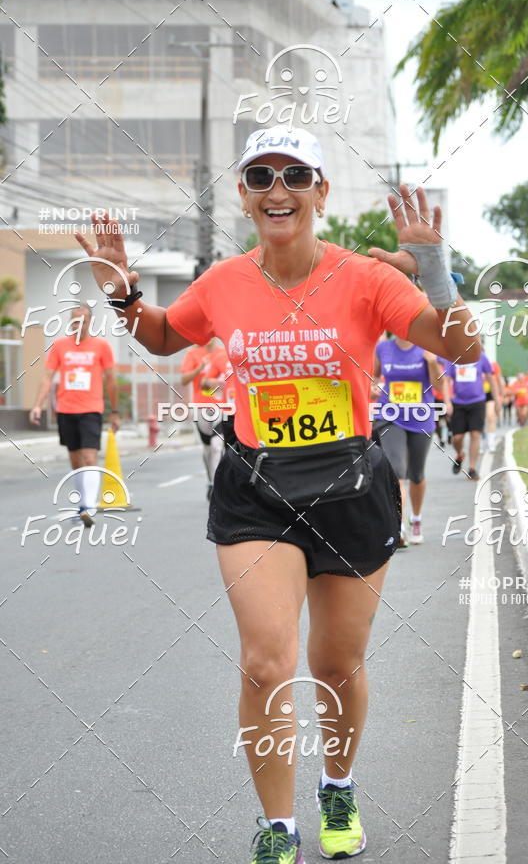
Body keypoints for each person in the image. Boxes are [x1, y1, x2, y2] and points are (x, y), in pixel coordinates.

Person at [75, 124, 480, 864]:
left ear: (321, 191)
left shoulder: (366, 276)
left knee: (336, 665)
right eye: (260, 176)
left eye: (295, 174)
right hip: (256, 489)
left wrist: (437, 271)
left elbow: (462, 348)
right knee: (266, 661)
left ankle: (339, 782)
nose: (277, 189)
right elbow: (167, 337)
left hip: (349, 488)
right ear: (244, 195)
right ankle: (278, 825)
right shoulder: (225, 282)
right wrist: (124, 293)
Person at [29, 304, 120, 526]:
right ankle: (82, 505)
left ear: (90, 322)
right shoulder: (60, 346)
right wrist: (37, 405)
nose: (78, 325)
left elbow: (111, 380)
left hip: (91, 409)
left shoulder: (101, 346)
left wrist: (115, 412)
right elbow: (47, 378)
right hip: (66, 410)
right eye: (74, 321)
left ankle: (88, 508)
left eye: (83, 321)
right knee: (75, 461)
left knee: (90, 457)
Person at [372, 334, 444, 545]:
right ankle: (399, 527)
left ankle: (416, 519)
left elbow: (439, 386)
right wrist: (373, 386)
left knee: (417, 474)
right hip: (390, 415)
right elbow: (374, 376)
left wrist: (431, 361)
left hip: (421, 416)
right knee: (396, 471)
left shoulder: (428, 347)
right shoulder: (383, 348)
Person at [180, 338, 230, 499]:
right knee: (208, 448)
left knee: (217, 446)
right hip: (200, 407)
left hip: (221, 406)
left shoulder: (223, 353)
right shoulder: (192, 354)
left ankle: (218, 486)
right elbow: (184, 380)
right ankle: (210, 481)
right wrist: (199, 368)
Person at [442, 351, 500, 480]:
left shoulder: (480, 356)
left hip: (477, 402)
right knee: (457, 438)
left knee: (475, 434)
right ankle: (460, 454)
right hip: (458, 403)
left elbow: (491, 379)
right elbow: (446, 381)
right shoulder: (452, 356)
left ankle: (472, 468)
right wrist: (447, 402)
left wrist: (497, 401)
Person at [483, 357, 503, 452]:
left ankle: (491, 444)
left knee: (490, 417)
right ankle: (479, 444)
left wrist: (501, 395)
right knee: (480, 420)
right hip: (477, 394)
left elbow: (499, 380)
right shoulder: (470, 363)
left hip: (491, 394)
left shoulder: (493, 364)